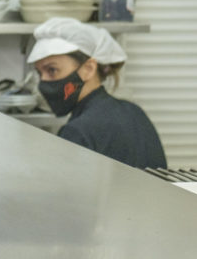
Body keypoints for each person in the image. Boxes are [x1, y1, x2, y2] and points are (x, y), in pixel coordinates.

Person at [28, 16, 167, 169]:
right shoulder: (134, 112)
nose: (44, 82)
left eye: (52, 70)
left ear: (88, 69)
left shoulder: (78, 132)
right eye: (40, 73)